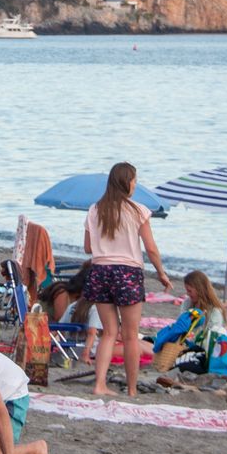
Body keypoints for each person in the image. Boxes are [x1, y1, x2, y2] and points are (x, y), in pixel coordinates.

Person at [83, 162, 172, 397]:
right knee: (131, 335)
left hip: (100, 271)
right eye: (134, 180)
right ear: (127, 182)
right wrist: (161, 272)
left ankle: (99, 384)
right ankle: (132, 389)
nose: (135, 184)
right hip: (127, 272)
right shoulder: (137, 210)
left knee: (109, 333)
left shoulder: (94, 210)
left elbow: (87, 247)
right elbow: (151, 248)